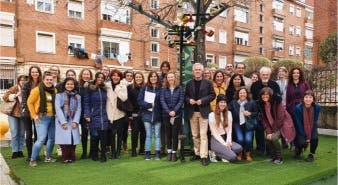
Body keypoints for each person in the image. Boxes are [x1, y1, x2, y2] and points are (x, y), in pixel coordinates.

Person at [185, 63, 216, 166]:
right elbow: (185, 96)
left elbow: (212, 95)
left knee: (203, 135)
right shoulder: (189, 83)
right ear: (193, 71)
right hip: (192, 112)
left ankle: (203, 156)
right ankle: (197, 153)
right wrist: (189, 100)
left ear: (202, 71)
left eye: (199, 69)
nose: (197, 71)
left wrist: (202, 100)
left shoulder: (208, 83)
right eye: (196, 70)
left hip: (204, 112)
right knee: (195, 135)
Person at [27, 71, 57, 167]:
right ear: (43, 80)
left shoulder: (54, 90)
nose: (49, 81)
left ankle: (48, 157)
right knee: (41, 139)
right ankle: (33, 159)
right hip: (41, 118)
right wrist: (34, 115)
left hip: (53, 117)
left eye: (51, 80)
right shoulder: (36, 90)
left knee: (52, 138)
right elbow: (29, 103)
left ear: (53, 80)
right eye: (47, 79)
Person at [250, 66, 281, 155]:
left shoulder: (274, 85)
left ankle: (269, 149)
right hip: (259, 111)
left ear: (269, 75)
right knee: (259, 130)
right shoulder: (255, 85)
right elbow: (253, 99)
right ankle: (260, 148)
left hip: (271, 112)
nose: (265, 76)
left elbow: (278, 98)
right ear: (260, 75)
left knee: (270, 130)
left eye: (267, 74)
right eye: (263, 74)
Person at [208, 94, 242, 162]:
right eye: (221, 102)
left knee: (239, 148)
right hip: (216, 139)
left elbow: (229, 130)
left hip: (225, 137)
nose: (223, 104)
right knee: (233, 157)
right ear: (217, 103)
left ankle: (221, 154)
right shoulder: (211, 115)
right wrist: (224, 144)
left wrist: (228, 141)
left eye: (224, 102)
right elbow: (215, 133)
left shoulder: (229, 113)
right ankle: (214, 152)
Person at [84, 72, 109, 162]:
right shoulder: (90, 89)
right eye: (99, 77)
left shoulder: (105, 89)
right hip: (94, 115)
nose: (100, 79)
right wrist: (87, 114)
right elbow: (86, 102)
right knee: (94, 136)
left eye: (102, 78)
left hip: (104, 115)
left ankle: (103, 155)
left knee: (103, 137)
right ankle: (94, 155)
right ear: (95, 78)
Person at [54, 78, 81, 163]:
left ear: (74, 85)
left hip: (73, 120)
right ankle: (65, 157)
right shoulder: (59, 95)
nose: (70, 86)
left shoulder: (77, 96)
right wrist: (63, 122)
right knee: (64, 141)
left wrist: (75, 121)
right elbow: (57, 109)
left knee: (73, 139)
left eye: (71, 84)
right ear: (64, 85)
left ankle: (72, 156)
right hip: (62, 120)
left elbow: (79, 109)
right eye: (68, 84)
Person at [138, 71, 162, 160]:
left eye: (155, 76)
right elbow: (139, 100)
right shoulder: (145, 88)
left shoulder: (161, 88)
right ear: (149, 78)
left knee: (157, 135)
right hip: (147, 115)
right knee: (148, 135)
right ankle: (147, 153)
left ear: (157, 78)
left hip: (157, 115)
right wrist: (148, 105)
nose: (153, 78)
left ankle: (157, 153)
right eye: (151, 76)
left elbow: (162, 101)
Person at [256, 87, 285, 164]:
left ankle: (279, 158)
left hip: (281, 126)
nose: (265, 96)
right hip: (271, 128)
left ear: (270, 95)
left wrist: (273, 132)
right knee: (268, 138)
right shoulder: (261, 105)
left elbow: (280, 119)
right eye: (263, 95)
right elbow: (264, 120)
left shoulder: (277, 103)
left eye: (267, 95)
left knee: (274, 138)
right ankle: (273, 157)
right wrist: (269, 132)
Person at [228, 87, 257, 162]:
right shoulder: (233, 103)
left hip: (248, 124)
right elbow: (229, 113)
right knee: (240, 139)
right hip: (237, 124)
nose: (242, 94)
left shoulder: (252, 102)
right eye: (240, 93)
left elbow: (256, 113)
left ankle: (247, 153)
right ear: (238, 94)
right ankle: (239, 153)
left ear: (247, 94)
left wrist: (250, 113)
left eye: (244, 93)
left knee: (248, 139)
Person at [160, 72, 184, 162]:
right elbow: (162, 101)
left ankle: (174, 153)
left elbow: (181, 100)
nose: (170, 79)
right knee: (168, 134)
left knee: (175, 134)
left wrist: (174, 111)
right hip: (166, 115)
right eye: (169, 77)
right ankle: (169, 152)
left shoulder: (180, 88)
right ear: (167, 78)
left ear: (175, 78)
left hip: (177, 115)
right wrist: (169, 111)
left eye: (172, 77)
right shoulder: (163, 89)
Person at [3, 75, 27, 159]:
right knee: (14, 132)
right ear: (18, 81)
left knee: (21, 133)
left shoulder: (27, 89)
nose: (23, 82)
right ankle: (14, 151)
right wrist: (16, 95)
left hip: (23, 114)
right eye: (21, 80)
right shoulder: (14, 88)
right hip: (13, 114)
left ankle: (20, 150)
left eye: (25, 80)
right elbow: (5, 97)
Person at [106, 69, 128, 159]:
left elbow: (124, 98)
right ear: (111, 76)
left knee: (119, 134)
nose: (115, 77)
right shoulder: (107, 86)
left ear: (120, 77)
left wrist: (118, 88)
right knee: (111, 134)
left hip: (119, 114)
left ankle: (118, 152)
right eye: (114, 75)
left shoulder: (123, 86)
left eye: (118, 76)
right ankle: (113, 152)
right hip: (109, 113)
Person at [21, 66, 42, 161]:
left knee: (38, 134)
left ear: (39, 73)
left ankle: (36, 154)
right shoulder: (26, 84)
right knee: (29, 134)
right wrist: (25, 110)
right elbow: (24, 99)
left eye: (36, 72)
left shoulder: (42, 83)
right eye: (33, 72)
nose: (35, 74)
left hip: (38, 112)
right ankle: (30, 155)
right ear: (30, 73)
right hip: (27, 112)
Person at [293, 90, 321, 162]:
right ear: (303, 98)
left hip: (312, 126)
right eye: (306, 97)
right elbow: (298, 123)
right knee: (302, 142)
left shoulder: (317, 107)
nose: (308, 99)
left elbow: (314, 121)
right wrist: (306, 136)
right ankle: (299, 149)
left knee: (314, 138)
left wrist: (310, 135)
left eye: (310, 97)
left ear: (313, 99)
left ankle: (311, 154)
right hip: (300, 127)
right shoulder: (298, 108)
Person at [128, 72, 146, 156]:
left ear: (142, 78)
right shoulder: (130, 87)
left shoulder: (146, 87)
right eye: (137, 77)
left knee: (143, 132)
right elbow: (128, 101)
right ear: (134, 78)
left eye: (140, 77)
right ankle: (134, 150)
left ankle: (142, 149)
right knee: (135, 132)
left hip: (145, 113)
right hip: (134, 113)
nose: (138, 78)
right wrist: (130, 114)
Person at [78, 68, 93, 159]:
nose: (86, 76)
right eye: (84, 74)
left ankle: (92, 151)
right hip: (82, 113)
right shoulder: (78, 86)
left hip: (92, 112)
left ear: (90, 76)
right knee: (84, 133)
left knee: (93, 134)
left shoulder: (93, 85)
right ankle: (84, 152)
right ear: (81, 75)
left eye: (88, 74)